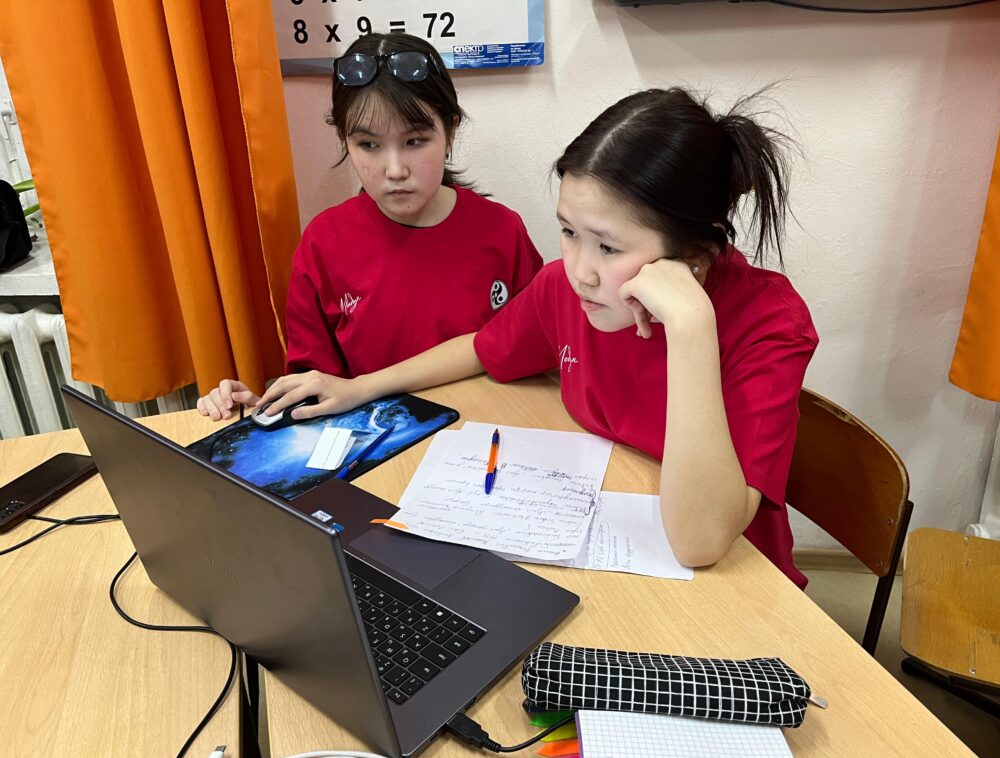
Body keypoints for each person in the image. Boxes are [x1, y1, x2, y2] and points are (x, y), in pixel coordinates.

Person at [255, 87, 818, 587]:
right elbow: (483, 347)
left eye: (609, 247)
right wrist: (360, 387)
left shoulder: (768, 323)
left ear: (692, 252)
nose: (580, 271)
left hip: (732, 583)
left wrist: (692, 327)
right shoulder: (567, 290)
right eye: (569, 232)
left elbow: (700, 543)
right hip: (607, 549)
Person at [197, 33, 543, 421]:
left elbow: (533, 349)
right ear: (345, 140)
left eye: (415, 141)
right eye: (369, 145)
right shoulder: (324, 244)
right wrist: (260, 409)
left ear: (450, 132)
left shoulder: (502, 230)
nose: (395, 170)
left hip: (489, 432)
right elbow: (315, 388)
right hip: (380, 442)